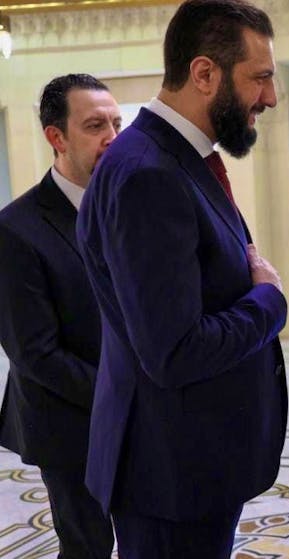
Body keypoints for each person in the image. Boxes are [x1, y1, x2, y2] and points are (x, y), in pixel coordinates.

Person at [75, 1, 287, 556]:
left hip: (187, 465)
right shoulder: (149, 174)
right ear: (204, 73)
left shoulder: (173, 160)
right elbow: (174, 351)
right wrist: (269, 301)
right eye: (260, 78)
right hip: (170, 476)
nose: (270, 96)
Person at [0, 74, 119, 559]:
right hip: (67, 420)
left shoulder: (128, 208)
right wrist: (122, 397)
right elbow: (36, 354)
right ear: (57, 137)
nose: (112, 137)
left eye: (117, 123)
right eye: (94, 126)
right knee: (88, 546)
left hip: (136, 415)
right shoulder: (15, 229)